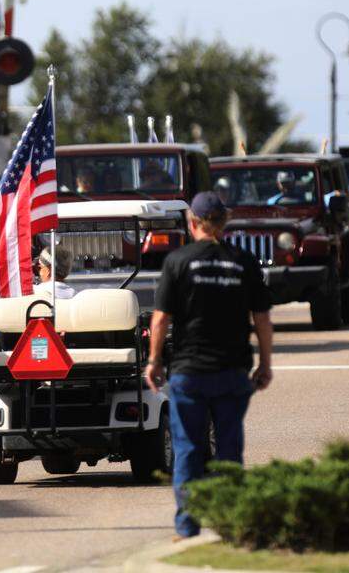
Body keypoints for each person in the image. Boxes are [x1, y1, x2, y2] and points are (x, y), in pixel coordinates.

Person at [144, 192, 273, 539]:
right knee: (229, 448)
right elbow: (261, 319)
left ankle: (187, 525)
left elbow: (160, 320)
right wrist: (265, 364)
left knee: (188, 447)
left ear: (193, 223)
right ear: (224, 222)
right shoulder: (245, 262)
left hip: (190, 373)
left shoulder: (178, 261)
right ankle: (229, 521)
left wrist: (154, 360)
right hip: (232, 373)